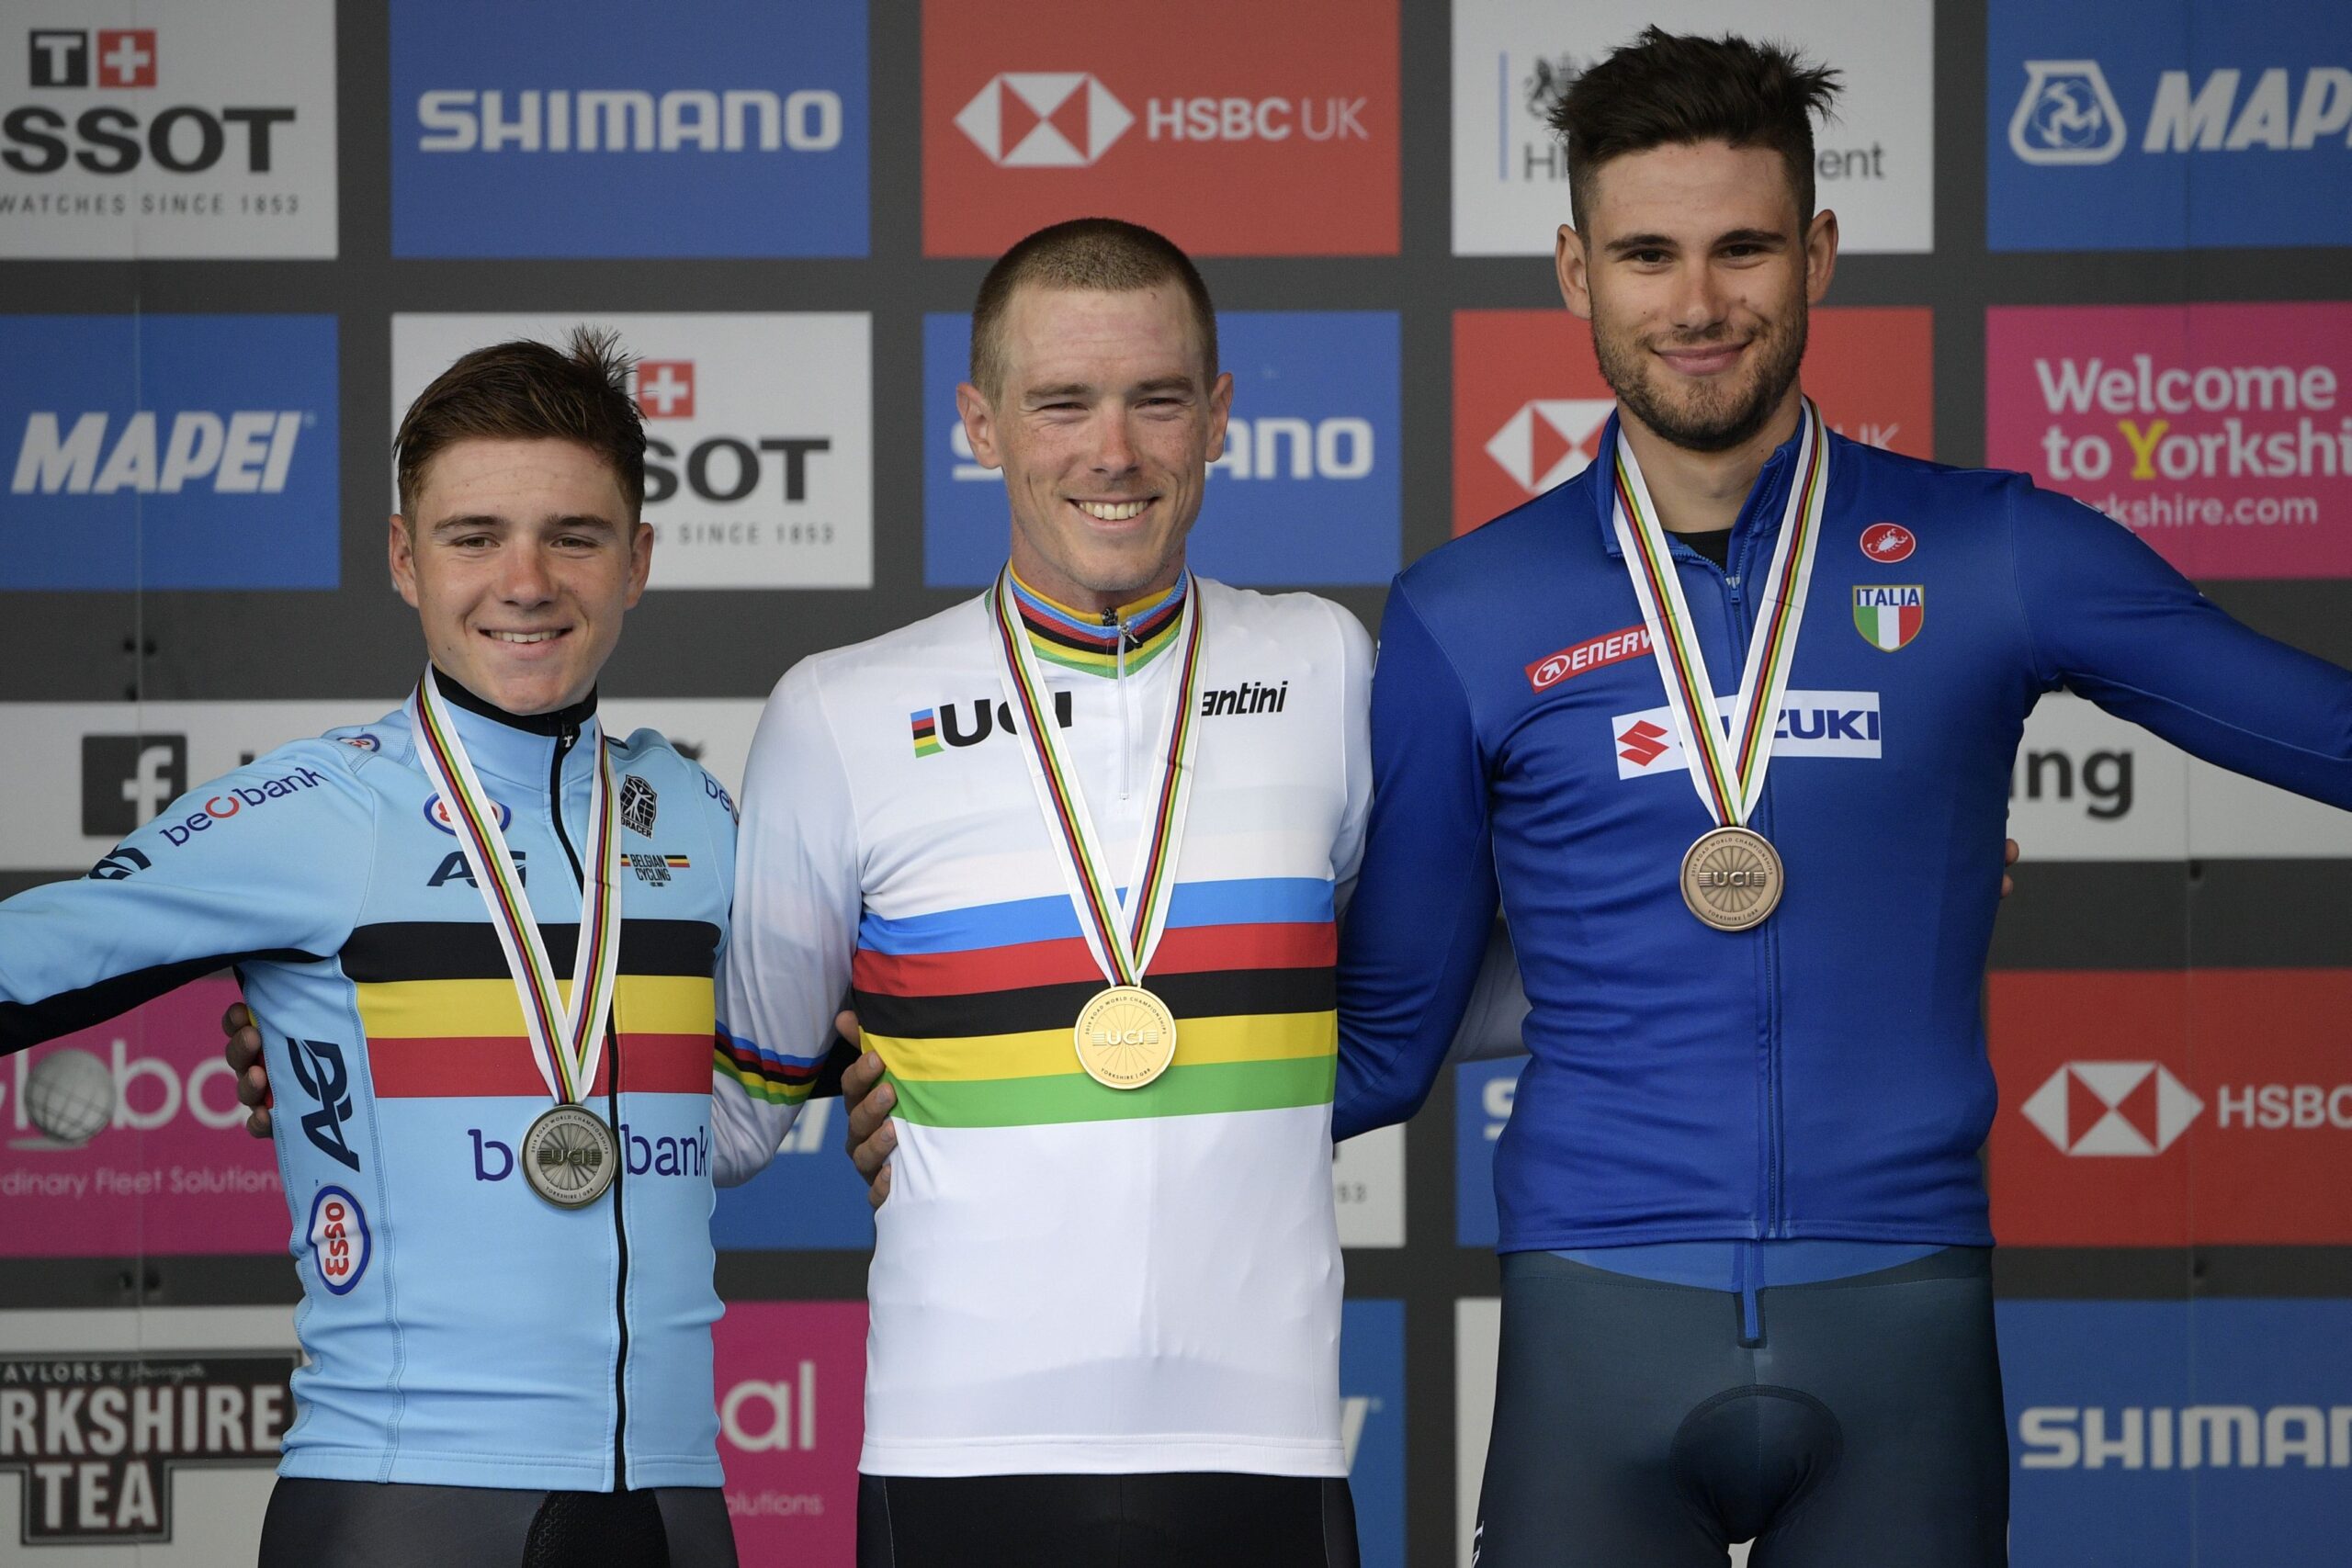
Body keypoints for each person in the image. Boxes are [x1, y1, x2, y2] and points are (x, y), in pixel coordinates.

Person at [1329, 28, 2352, 1568]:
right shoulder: (1465, 613)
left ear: (1817, 250)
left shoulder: (1992, 551)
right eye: (1647, 253)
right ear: (1572, 271)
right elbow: (1376, 1044)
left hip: (1904, 1321)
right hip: (1593, 1315)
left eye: (1743, 248)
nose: (1695, 304)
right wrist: (975, 1088)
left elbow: (2320, 731)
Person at [0, 332, 742, 1568]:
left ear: (638, 561)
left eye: (574, 535)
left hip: (675, 1508)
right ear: (405, 558)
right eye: (473, 536)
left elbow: (785, 1075)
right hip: (406, 1506)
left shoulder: (697, 821)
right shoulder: (312, 809)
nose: (526, 579)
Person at [707, 218, 1372, 1568]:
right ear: (981, 423)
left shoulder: (1327, 667)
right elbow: (729, 1114)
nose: (1113, 451)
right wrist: (356, 1045)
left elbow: (1415, 987)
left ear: (1221, 417)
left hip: (1268, 1444)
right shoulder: (839, 712)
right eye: (1061, 402)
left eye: (1157, 399)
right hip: (958, 1447)